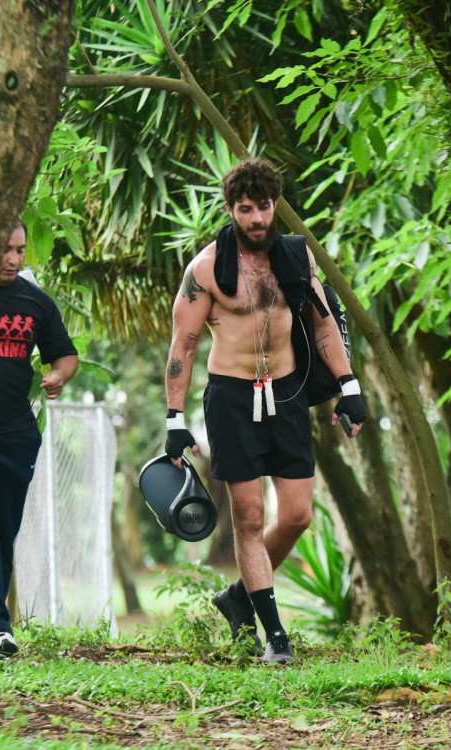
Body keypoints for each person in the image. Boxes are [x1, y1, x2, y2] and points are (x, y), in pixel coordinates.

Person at [163, 157, 368, 664]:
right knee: (250, 518)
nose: (258, 219)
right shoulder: (205, 269)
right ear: (231, 209)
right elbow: (182, 348)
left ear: (276, 206)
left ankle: (238, 598)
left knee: (297, 516)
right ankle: (275, 636)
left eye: (266, 208)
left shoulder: (297, 258)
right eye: (248, 210)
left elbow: (323, 327)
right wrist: (174, 421)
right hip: (231, 399)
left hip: (288, 393)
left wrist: (350, 387)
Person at [0, 221, 79, 659]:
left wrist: (57, 375)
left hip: (15, 438)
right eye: (5, 250)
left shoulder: (35, 301)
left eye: (20, 250)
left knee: (1, 531)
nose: (14, 260)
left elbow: (65, 354)